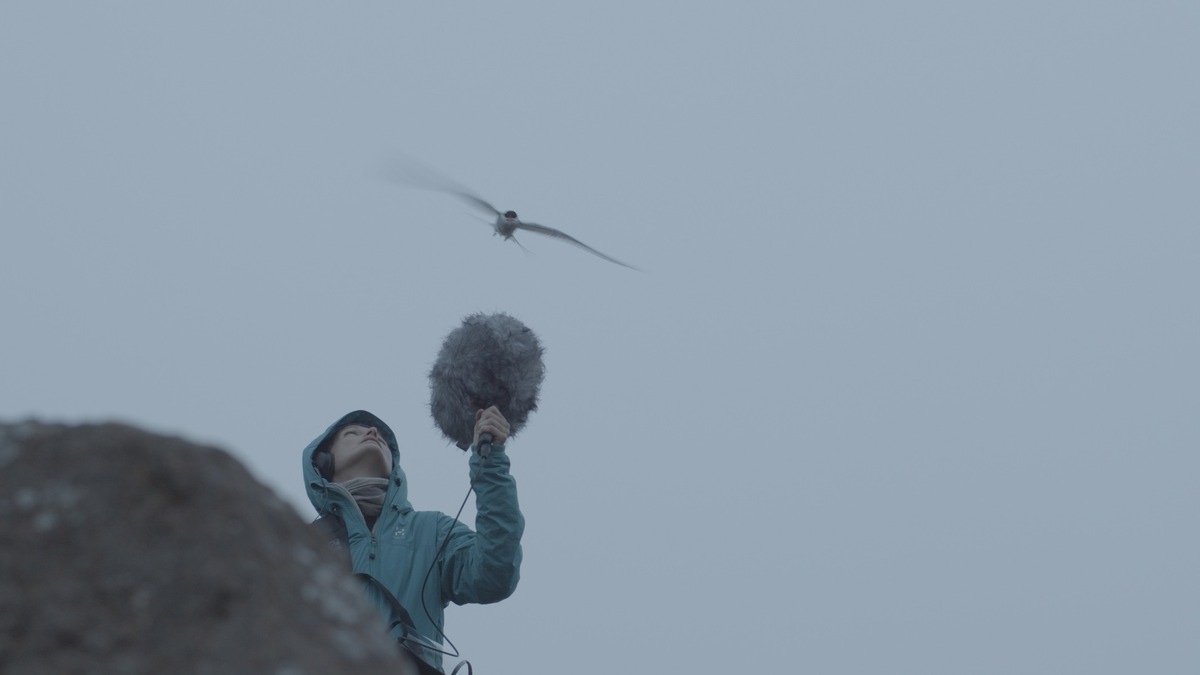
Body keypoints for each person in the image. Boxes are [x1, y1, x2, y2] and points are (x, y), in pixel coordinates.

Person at [301, 407, 523, 671]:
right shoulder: (305, 542)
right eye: (352, 433)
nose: (373, 432)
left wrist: (492, 463)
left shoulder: (432, 529)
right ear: (324, 461)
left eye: (379, 436)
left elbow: (495, 574)